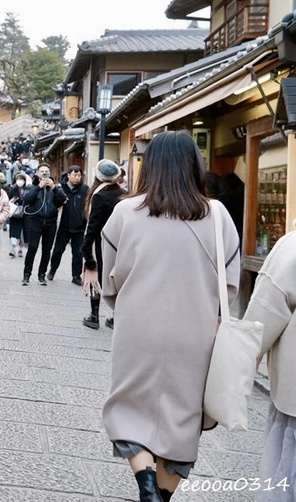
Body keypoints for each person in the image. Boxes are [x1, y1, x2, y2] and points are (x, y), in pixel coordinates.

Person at [100, 131, 240, 502]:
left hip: (137, 329)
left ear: (151, 166)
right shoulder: (218, 216)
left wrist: (129, 306)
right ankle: (160, 495)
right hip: (196, 336)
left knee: (130, 409)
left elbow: (109, 281)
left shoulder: (124, 213)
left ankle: (145, 481)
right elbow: (230, 286)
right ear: (195, 166)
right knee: (181, 419)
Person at [243, 223, 295, 502]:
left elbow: (260, 321)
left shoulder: (292, 248)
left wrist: (238, 369)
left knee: (284, 481)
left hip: (294, 401)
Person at [80, 160, 125, 330]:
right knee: (119, 279)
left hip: (101, 243)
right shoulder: (124, 194)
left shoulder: (98, 196)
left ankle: (94, 315)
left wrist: (86, 251)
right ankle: (116, 316)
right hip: (120, 243)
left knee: (95, 278)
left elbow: (93, 226)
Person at [21, 164, 67, 286]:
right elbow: (26, 197)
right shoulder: (32, 186)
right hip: (36, 220)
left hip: (51, 222)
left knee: (47, 250)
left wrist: (54, 188)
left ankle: (42, 274)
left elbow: (63, 200)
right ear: (37, 173)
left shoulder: (55, 187)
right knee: (32, 248)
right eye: (42, 171)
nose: (44, 173)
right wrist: (39, 187)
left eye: (47, 171)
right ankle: (26, 274)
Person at [48, 165, 88, 285]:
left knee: (78, 253)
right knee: (58, 251)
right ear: (68, 175)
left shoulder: (85, 189)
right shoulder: (61, 188)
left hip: (79, 227)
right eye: (75, 175)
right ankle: (52, 270)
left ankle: (76, 276)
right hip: (63, 226)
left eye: (79, 175)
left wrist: (83, 218)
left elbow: (87, 205)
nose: (77, 178)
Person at [7, 172, 27, 258]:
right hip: (15, 213)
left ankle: (20, 249)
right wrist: (12, 200)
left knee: (22, 232)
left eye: (21, 179)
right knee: (14, 231)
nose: (20, 181)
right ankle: (13, 248)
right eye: (18, 179)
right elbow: (8, 201)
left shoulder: (27, 189)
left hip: (24, 212)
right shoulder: (12, 190)